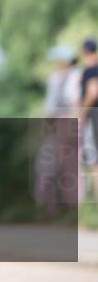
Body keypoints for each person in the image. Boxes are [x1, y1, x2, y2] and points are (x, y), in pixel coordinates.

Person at [35, 46, 81, 215]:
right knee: (60, 165)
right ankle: (55, 206)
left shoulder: (70, 77)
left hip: (65, 124)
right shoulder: (60, 77)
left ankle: (61, 206)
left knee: (61, 165)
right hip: (63, 124)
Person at [79, 38, 98, 203]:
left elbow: (93, 92)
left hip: (93, 116)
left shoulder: (91, 70)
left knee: (94, 162)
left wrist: (82, 113)